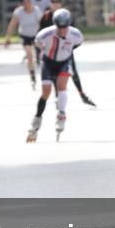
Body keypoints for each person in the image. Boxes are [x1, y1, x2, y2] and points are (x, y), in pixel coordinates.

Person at [27, 9, 84, 142]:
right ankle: (37, 118)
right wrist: (42, 52)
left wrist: (66, 50)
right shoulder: (45, 34)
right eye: (59, 28)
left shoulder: (76, 34)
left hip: (64, 62)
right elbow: (37, 43)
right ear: (55, 25)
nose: (62, 31)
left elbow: (78, 44)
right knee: (46, 93)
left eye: (65, 28)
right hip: (48, 62)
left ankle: (61, 114)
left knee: (62, 85)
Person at [39, 0, 95, 106]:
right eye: (53, 2)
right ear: (50, 3)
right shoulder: (46, 17)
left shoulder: (66, 16)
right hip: (51, 50)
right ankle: (57, 95)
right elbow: (40, 34)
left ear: (61, 3)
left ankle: (82, 94)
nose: (55, 4)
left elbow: (74, 33)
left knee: (73, 71)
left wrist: (69, 47)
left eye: (58, 2)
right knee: (54, 73)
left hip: (65, 49)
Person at [4, 0, 43, 89]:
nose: (27, 4)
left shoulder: (37, 11)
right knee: (29, 55)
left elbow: (42, 24)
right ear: (21, 3)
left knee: (42, 56)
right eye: (24, 2)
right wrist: (8, 38)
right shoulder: (18, 12)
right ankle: (32, 75)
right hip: (25, 36)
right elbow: (12, 25)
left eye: (28, 1)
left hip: (36, 35)